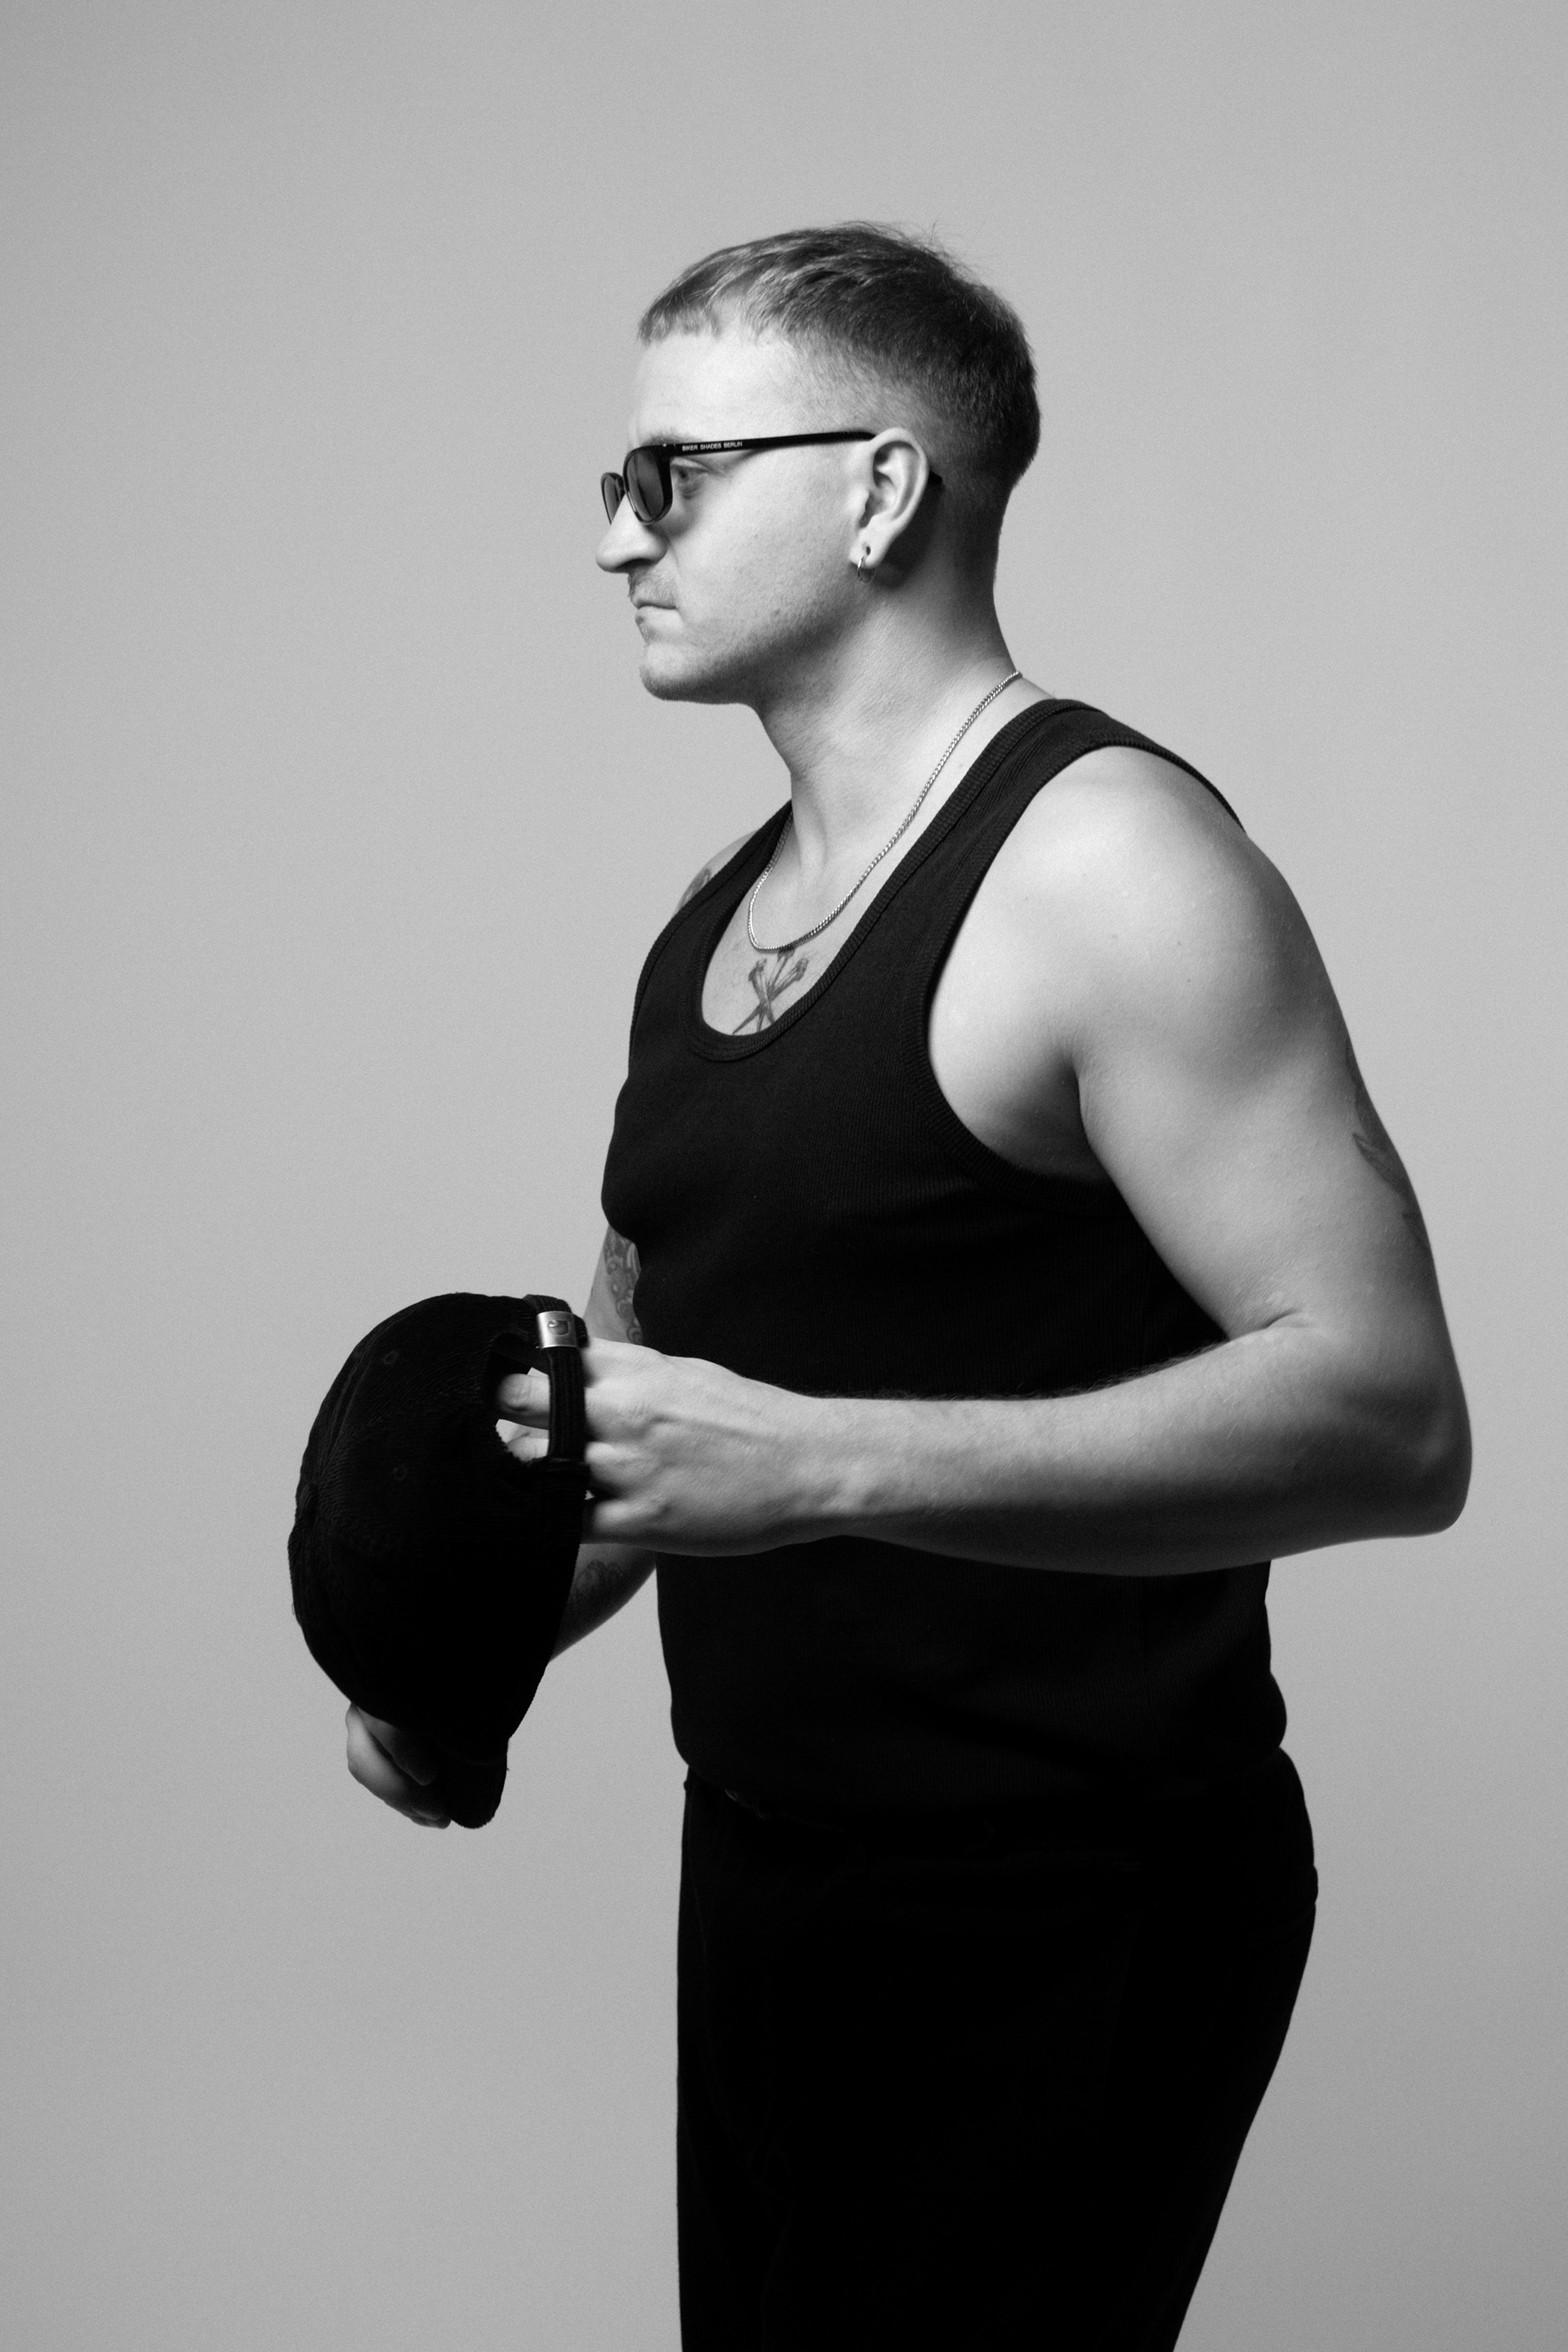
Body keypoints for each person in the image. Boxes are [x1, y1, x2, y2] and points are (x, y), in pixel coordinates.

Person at [345, 225, 1470, 2347]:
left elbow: (1395, 1420)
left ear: (876, 491)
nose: (615, 536)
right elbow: (641, 1419)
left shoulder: (1109, 868)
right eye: (616, 479)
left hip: (1071, 1900)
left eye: (671, 477)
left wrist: (818, 1467)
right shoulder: (714, 918)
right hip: (772, 1869)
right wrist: (455, 1650)